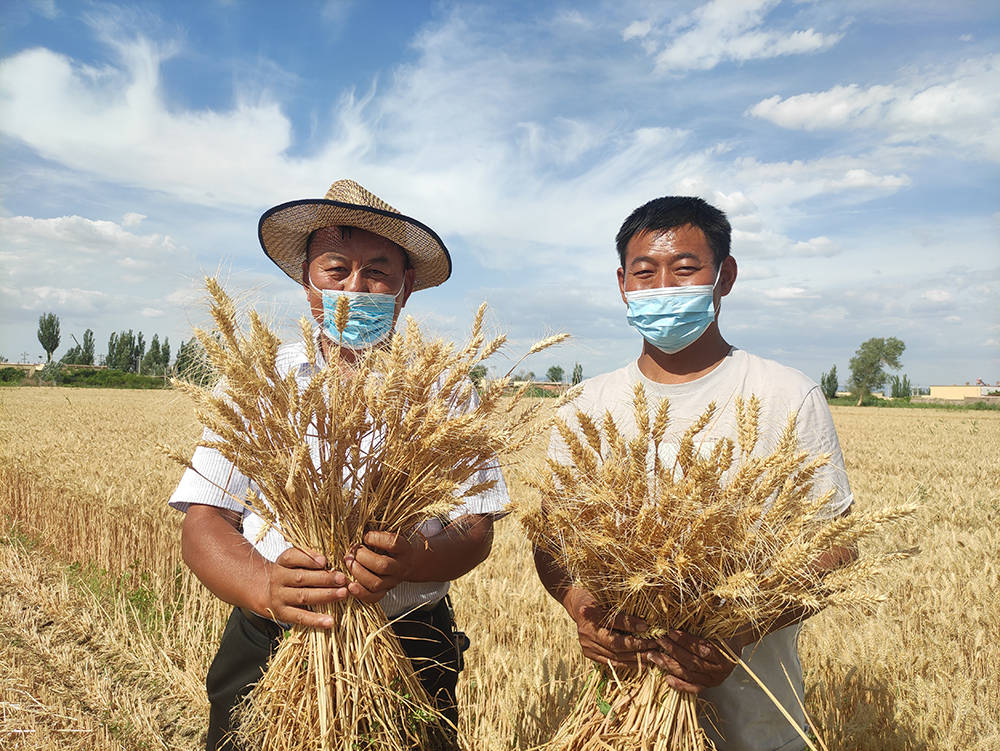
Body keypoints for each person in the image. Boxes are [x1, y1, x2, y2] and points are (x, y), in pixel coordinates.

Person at [169, 179, 508, 751]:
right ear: (307, 284)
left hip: (409, 646)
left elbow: (476, 528)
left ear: (405, 288)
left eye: (377, 271)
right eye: (335, 269)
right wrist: (263, 585)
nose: (356, 287)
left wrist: (411, 560)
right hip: (271, 638)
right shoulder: (258, 381)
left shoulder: (446, 392)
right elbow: (204, 520)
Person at [533, 196, 856, 751]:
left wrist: (736, 633)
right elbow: (552, 537)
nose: (663, 286)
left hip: (756, 720)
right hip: (626, 719)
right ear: (621, 283)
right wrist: (581, 607)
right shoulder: (586, 406)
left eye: (685, 268)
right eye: (645, 272)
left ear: (724, 276)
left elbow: (836, 547)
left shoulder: (784, 394)